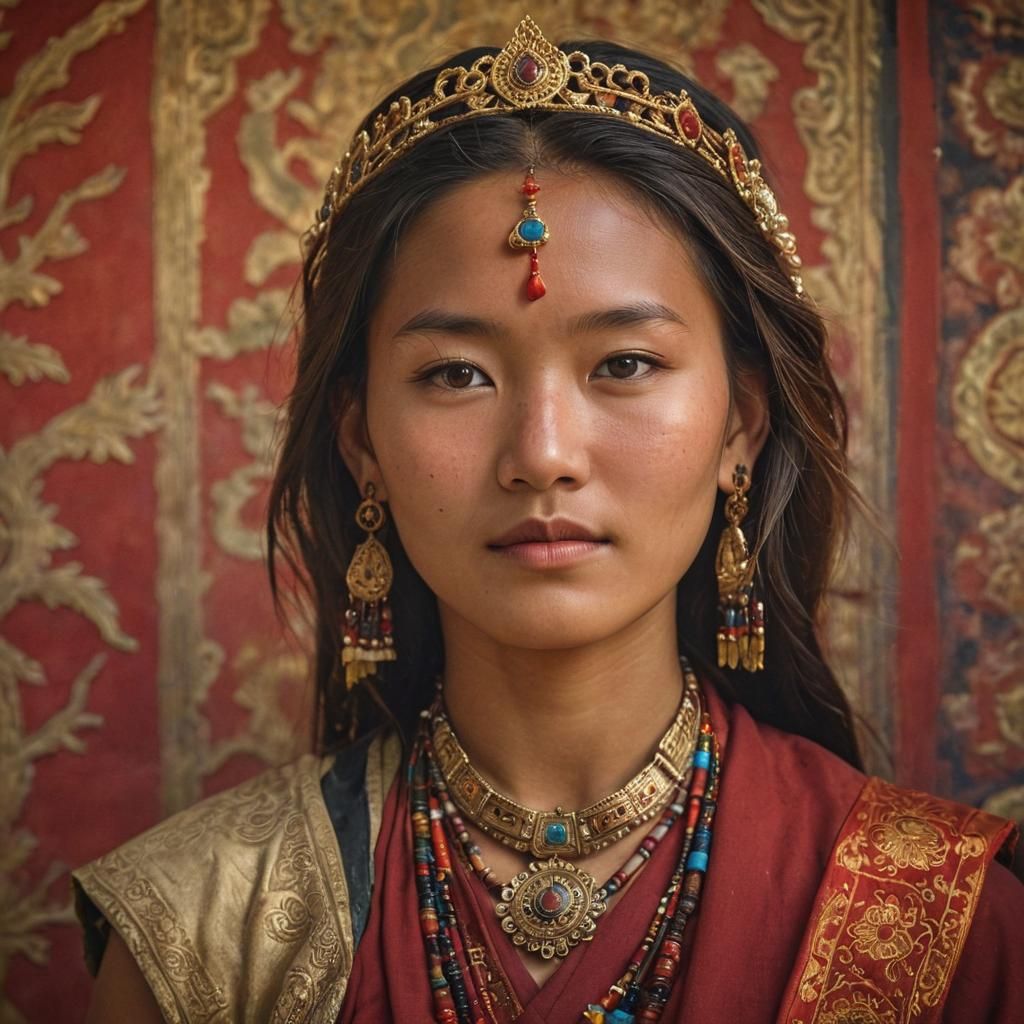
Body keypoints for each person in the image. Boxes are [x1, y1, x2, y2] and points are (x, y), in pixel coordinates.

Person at [75, 18, 1023, 1024]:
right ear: (362, 442)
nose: (542, 453)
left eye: (623, 364)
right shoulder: (203, 931)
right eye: (455, 374)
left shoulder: (940, 926)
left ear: (740, 424)